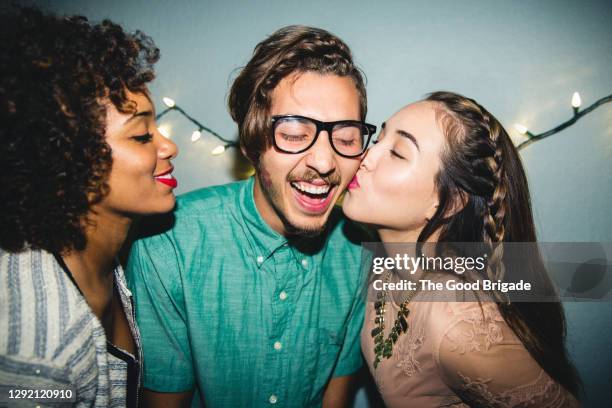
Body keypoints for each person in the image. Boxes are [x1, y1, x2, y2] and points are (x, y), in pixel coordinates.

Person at [126, 25, 376, 407]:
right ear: (251, 142)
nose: (325, 163)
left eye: (345, 139)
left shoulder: (359, 251)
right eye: (293, 133)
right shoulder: (171, 243)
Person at [342, 91, 582, 407]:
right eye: (379, 140)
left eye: (398, 153)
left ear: (449, 201)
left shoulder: (459, 324)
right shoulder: (387, 260)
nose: (365, 157)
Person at [0, 7, 178, 407]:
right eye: (142, 135)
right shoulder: (39, 345)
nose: (168, 147)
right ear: (70, 157)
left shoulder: (100, 261)